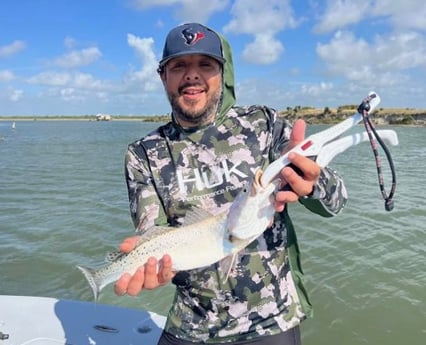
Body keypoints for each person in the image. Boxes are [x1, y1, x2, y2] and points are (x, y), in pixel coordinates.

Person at [114, 23, 347, 345]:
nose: (192, 75)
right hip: (190, 326)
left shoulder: (265, 124)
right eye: (179, 65)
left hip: (272, 322)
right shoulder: (142, 154)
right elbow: (151, 230)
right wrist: (151, 266)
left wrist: (313, 184)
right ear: (162, 76)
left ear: (223, 74)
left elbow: (337, 202)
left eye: (205, 65)